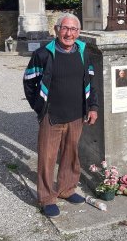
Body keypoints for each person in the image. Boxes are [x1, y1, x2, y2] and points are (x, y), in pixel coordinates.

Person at [23, 13, 98, 218]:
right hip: (52, 115)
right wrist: (39, 107)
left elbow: (90, 81)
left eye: (74, 29)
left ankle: (66, 189)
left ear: (79, 32)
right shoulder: (43, 54)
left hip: (76, 114)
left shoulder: (83, 52)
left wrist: (92, 107)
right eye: (65, 28)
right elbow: (29, 81)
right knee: (47, 157)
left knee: (71, 153)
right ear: (57, 30)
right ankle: (47, 198)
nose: (69, 33)